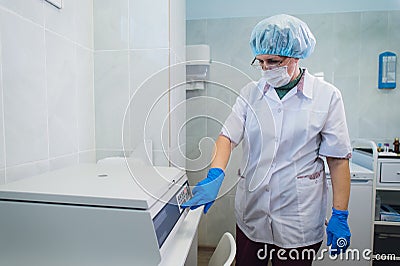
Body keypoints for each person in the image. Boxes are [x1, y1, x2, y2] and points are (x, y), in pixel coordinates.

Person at [182, 14, 351, 265]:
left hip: (298, 219)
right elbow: (227, 137)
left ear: (296, 55)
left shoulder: (326, 97)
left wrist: (340, 214)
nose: (266, 68)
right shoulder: (251, 93)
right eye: (260, 62)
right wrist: (215, 174)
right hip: (253, 215)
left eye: (273, 61)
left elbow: (337, 160)